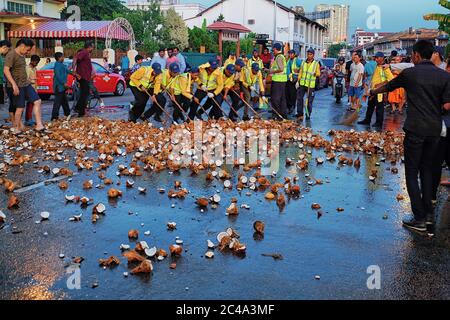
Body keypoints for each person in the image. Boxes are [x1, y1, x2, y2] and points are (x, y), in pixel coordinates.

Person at [370, 40, 450, 232]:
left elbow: (389, 86)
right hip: (434, 131)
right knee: (428, 170)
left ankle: (420, 218)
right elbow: (447, 106)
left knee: (412, 172)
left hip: (415, 130)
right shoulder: (444, 76)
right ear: (431, 54)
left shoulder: (410, 74)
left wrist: (373, 91)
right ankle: (429, 214)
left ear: (415, 55)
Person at [4, 38, 44, 132]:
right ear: (22, 46)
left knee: (37, 101)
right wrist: (14, 85)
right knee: (20, 107)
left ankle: (39, 125)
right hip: (17, 85)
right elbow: (6, 70)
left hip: (25, 84)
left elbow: (21, 71)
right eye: (28, 49)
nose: (28, 52)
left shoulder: (21, 55)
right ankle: (16, 128)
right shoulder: (11, 55)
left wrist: (28, 80)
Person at [358, 52, 394, 127]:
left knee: (379, 107)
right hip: (373, 90)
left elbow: (391, 79)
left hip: (380, 91)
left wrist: (381, 84)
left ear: (382, 58)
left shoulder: (385, 67)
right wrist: (369, 88)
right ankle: (367, 120)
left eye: (377, 58)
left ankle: (379, 123)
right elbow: (374, 78)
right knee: (370, 106)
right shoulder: (377, 66)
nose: (376, 59)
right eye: (375, 58)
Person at [296, 48, 320, 121]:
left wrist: (315, 73)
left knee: (309, 101)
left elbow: (319, 74)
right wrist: (298, 81)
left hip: (310, 85)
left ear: (313, 55)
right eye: (308, 54)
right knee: (299, 99)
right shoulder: (303, 62)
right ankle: (300, 114)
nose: (309, 56)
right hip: (303, 84)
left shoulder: (316, 63)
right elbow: (300, 72)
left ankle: (308, 114)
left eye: (310, 54)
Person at [52, 52, 77, 121]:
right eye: (62, 57)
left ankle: (67, 114)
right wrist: (64, 83)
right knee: (57, 102)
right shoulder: (57, 65)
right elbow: (58, 75)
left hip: (62, 87)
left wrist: (74, 74)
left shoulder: (62, 65)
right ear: (59, 58)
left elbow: (67, 71)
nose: (63, 58)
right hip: (59, 86)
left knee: (64, 101)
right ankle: (54, 117)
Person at [267, 43, 287, 120]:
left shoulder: (279, 57)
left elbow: (281, 69)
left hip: (278, 81)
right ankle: (282, 115)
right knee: (282, 99)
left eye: (273, 50)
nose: (273, 51)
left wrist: (271, 71)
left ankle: (277, 115)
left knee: (275, 99)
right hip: (282, 80)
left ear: (275, 49)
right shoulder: (281, 56)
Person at [73, 41, 94, 117]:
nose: (93, 49)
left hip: (86, 76)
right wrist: (74, 70)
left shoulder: (86, 54)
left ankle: (80, 110)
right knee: (84, 93)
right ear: (89, 47)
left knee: (85, 93)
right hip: (82, 76)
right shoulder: (84, 52)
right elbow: (75, 58)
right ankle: (79, 108)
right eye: (92, 47)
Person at [24, 54, 40, 126]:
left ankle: (30, 119)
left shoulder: (34, 68)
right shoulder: (27, 68)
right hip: (29, 88)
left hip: (34, 89)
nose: (37, 64)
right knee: (30, 105)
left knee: (31, 104)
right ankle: (28, 120)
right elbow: (25, 79)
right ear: (33, 61)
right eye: (36, 63)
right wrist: (33, 80)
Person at [0, 40, 12, 111]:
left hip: (1, 82)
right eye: (8, 49)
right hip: (1, 82)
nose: (7, 51)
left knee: (1, 104)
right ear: (4, 47)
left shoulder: (2, 57)